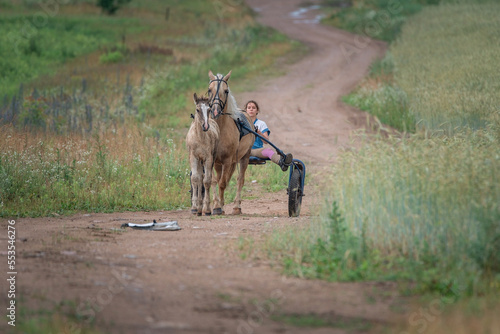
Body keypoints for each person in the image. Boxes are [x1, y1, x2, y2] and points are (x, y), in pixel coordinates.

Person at [244, 100, 293, 171]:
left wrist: (259, 133)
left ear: (257, 111)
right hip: (243, 150)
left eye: (253, 108)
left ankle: (281, 162)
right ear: (246, 110)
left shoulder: (261, 124)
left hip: (256, 150)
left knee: (268, 151)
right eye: (249, 108)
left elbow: (266, 141)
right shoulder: (242, 123)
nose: (251, 109)